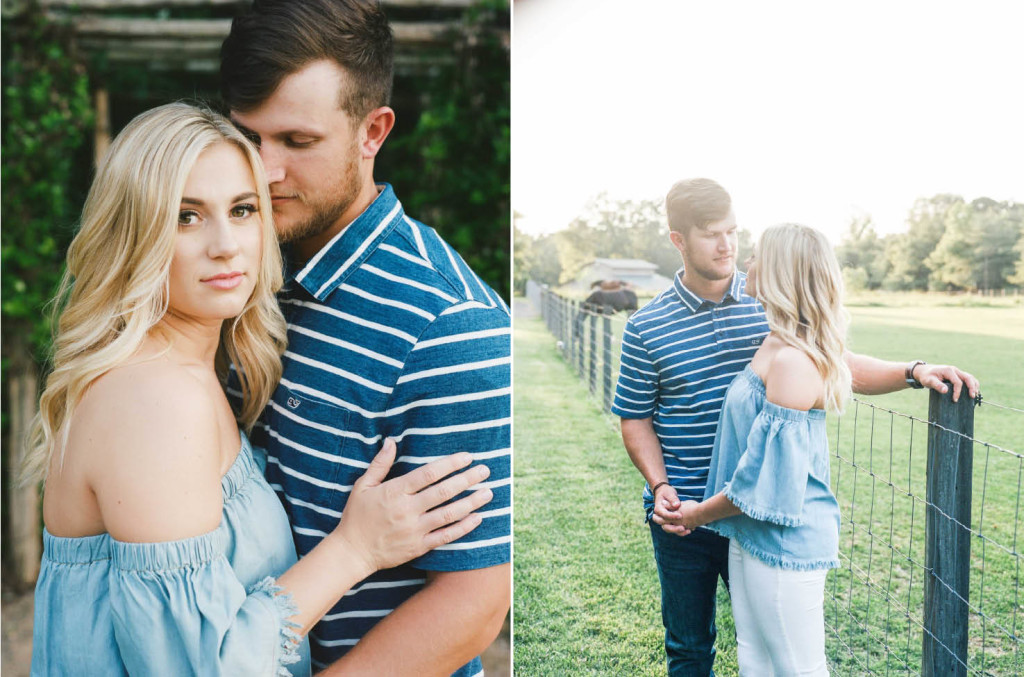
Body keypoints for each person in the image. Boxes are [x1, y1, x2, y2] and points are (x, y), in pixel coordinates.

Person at [23, 103, 492, 676]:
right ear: (132, 232)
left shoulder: (195, 371)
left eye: (243, 210)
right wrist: (355, 549)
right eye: (185, 217)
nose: (226, 245)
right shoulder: (154, 400)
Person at [218, 1, 511, 674]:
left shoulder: (450, 326)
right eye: (247, 136)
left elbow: (474, 597)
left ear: (372, 131)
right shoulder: (237, 268)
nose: (264, 172)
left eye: (296, 141)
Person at [610, 178, 979, 677]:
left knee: (781, 655)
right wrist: (661, 487)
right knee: (694, 648)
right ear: (678, 239)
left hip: (757, 514)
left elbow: (831, 359)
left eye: (734, 233)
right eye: (712, 235)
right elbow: (634, 417)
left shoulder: (767, 301)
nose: (729, 247)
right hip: (682, 510)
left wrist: (911, 371)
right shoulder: (647, 326)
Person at [668, 223, 849, 674]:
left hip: (785, 541)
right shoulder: (775, 341)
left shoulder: (793, 361)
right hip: (748, 532)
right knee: (754, 656)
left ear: (782, 270)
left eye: (755, 255)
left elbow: (760, 482)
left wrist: (694, 515)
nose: (745, 263)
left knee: (797, 667)